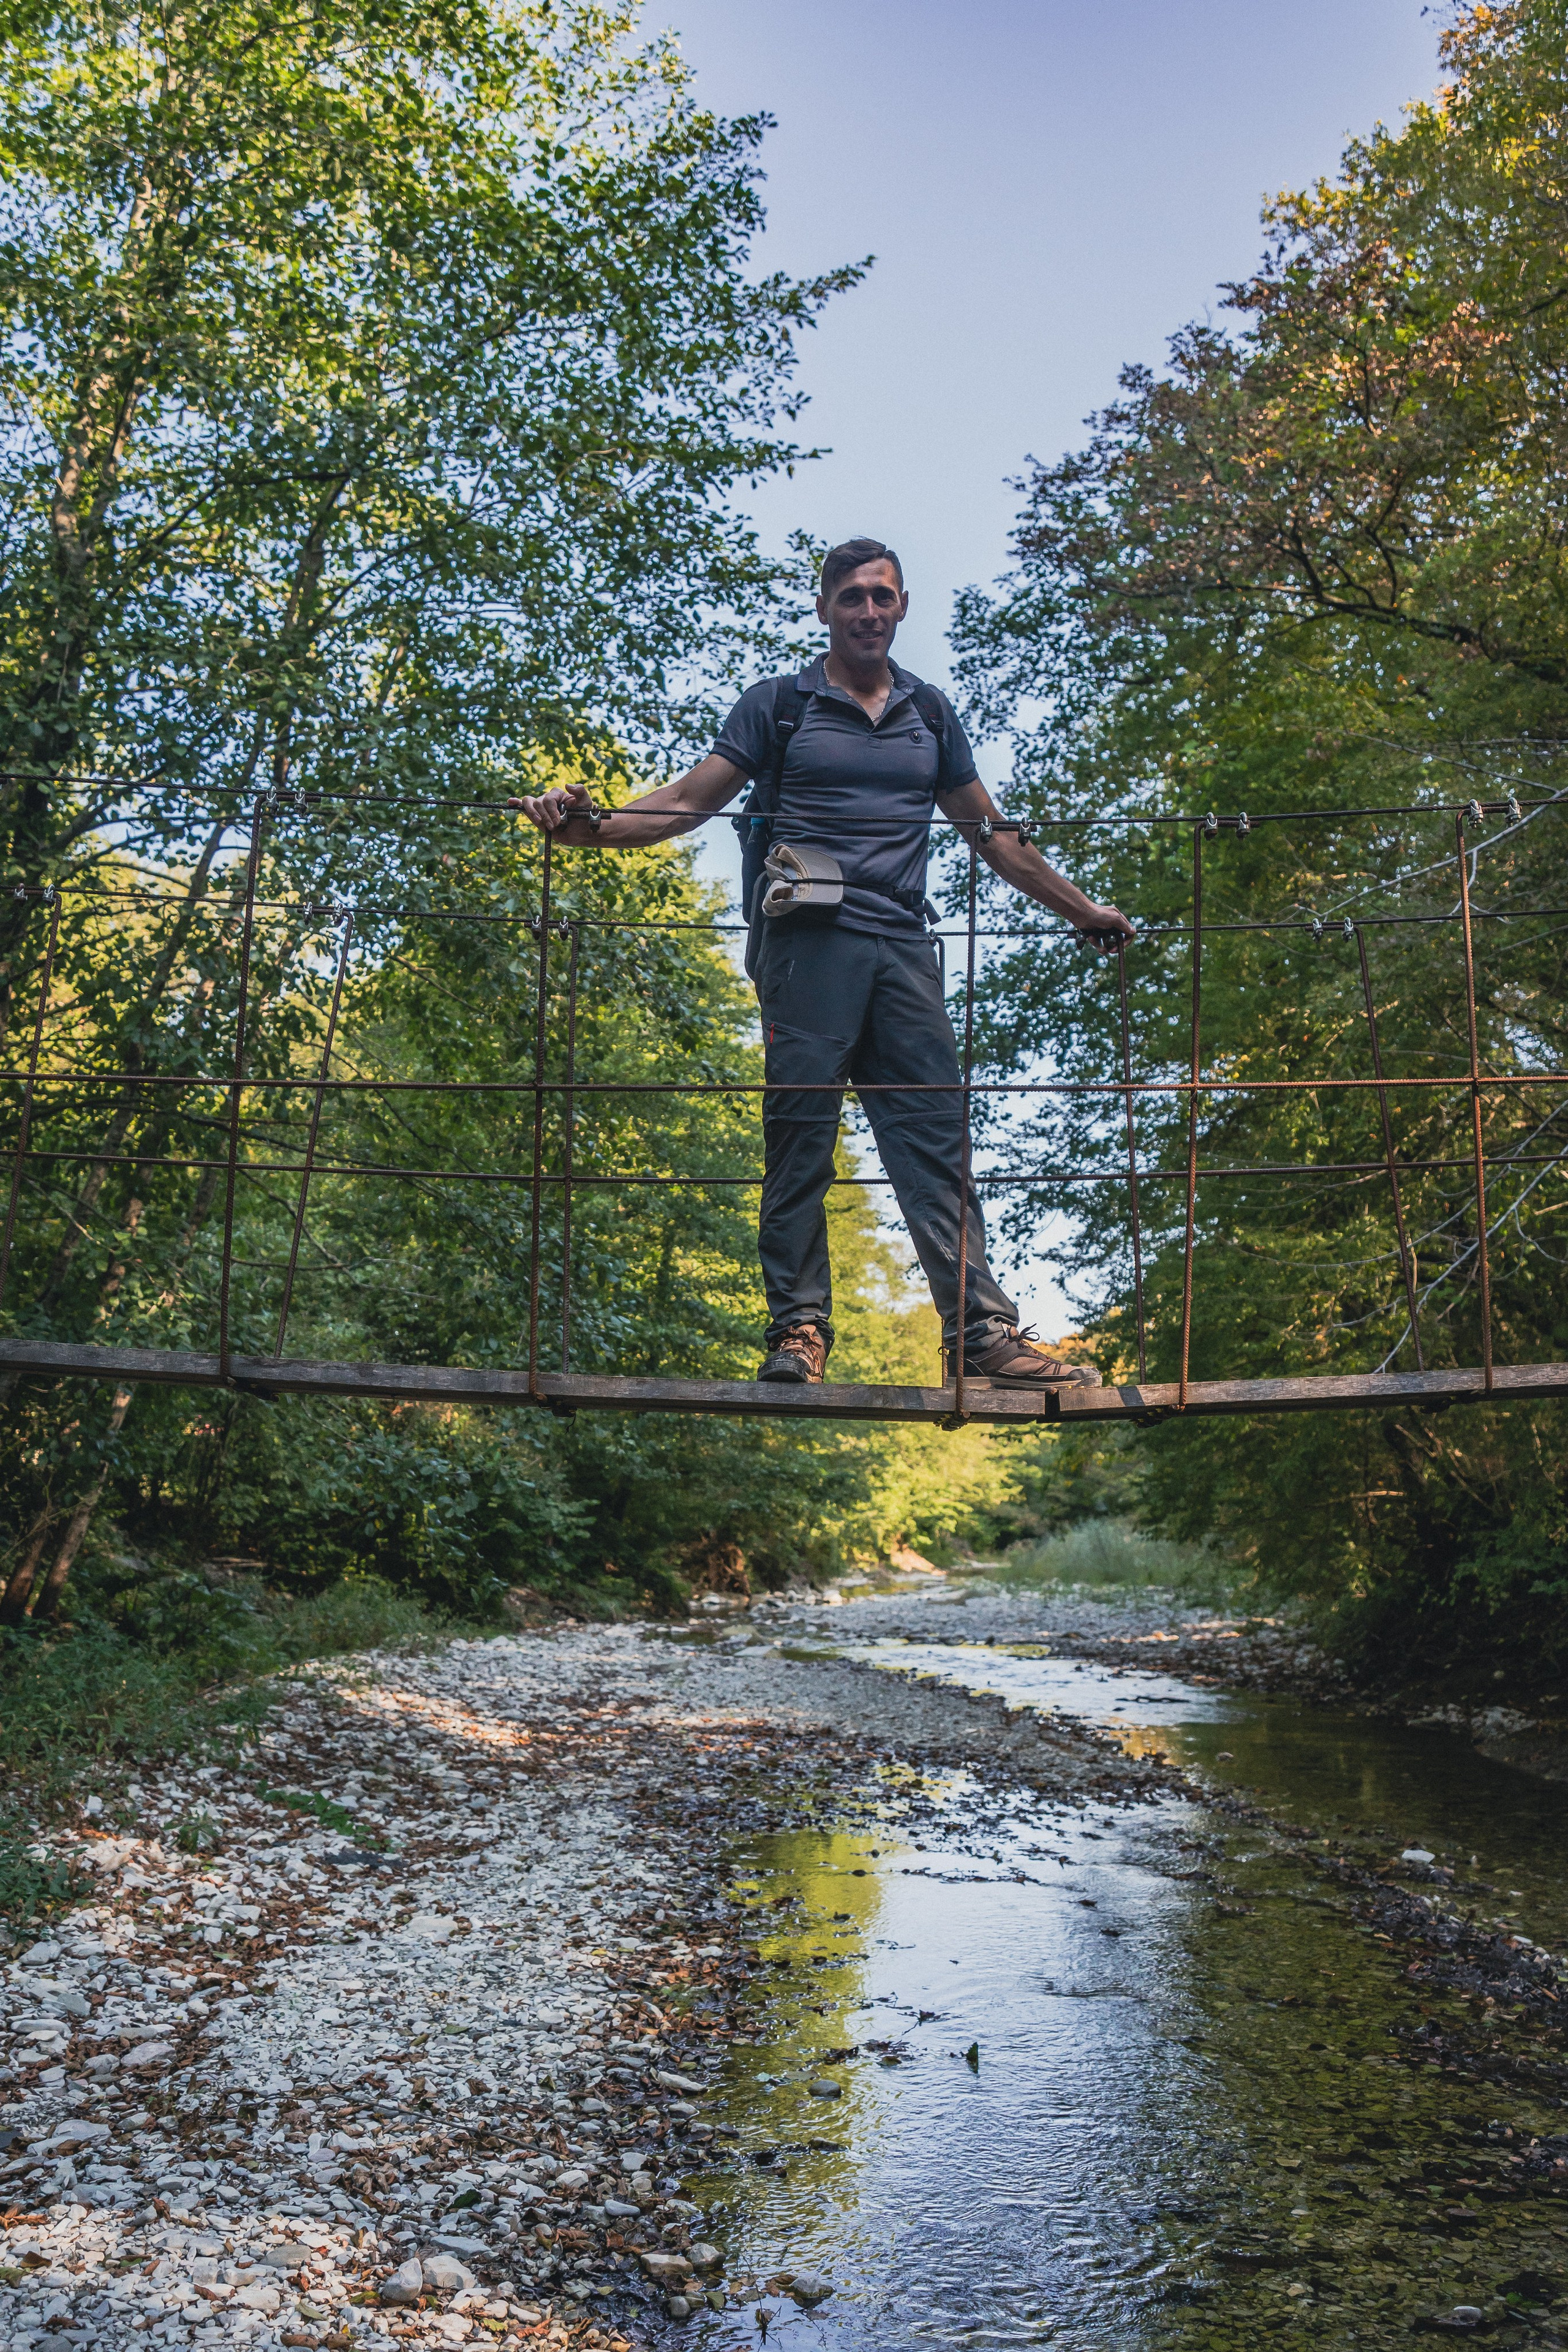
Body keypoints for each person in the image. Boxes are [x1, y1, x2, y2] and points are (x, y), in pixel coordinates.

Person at [514, 537, 1134, 1389]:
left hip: (904, 953)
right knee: (801, 1138)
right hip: (809, 950)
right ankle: (799, 1331)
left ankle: (980, 1337)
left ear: (903, 606)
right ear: (824, 610)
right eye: (851, 598)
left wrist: (1083, 912)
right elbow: (692, 801)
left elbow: (991, 834)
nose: (868, 612)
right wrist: (586, 826)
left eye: (882, 596)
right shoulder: (781, 705)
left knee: (935, 1141)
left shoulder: (931, 712)